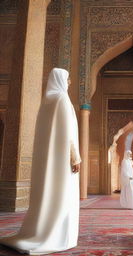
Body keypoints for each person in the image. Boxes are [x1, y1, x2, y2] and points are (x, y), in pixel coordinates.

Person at [0, 68, 81, 255]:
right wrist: (75, 157)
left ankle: (40, 231)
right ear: (61, 80)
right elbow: (68, 133)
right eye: (68, 79)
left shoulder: (47, 102)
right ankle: (57, 236)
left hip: (48, 164)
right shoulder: (62, 100)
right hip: (62, 163)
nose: (69, 83)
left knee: (49, 195)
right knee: (62, 195)